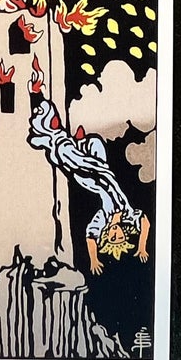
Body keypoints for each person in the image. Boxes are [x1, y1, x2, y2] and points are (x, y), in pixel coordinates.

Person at [24, 99, 149, 275]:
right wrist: (142, 247)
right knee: (95, 145)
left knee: (70, 158)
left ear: (106, 237)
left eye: (113, 237)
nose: (116, 233)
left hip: (89, 179)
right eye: (120, 236)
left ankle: (51, 134)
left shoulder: (103, 218)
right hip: (104, 172)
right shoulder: (128, 214)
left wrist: (94, 259)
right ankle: (75, 142)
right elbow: (145, 223)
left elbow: (90, 237)